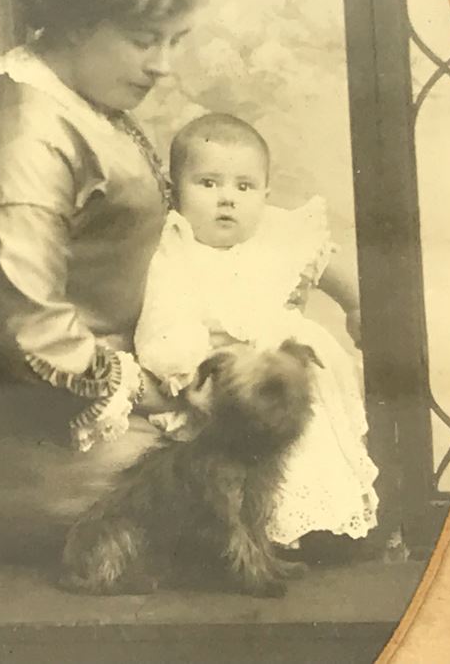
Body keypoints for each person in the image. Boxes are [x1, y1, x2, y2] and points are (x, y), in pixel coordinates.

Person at [0, 0, 204, 562]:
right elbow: (27, 333)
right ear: (75, 23)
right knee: (233, 491)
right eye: (144, 41)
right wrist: (158, 394)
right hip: (21, 433)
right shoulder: (25, 135)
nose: (163, 65)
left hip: (91, 391)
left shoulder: (78, 99)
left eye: (176, 42)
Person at [134, 113, 379, 548]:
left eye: (244, 187)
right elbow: (165, 311)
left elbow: (324, 265)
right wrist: (187, 372)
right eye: (208, 184)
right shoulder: (174, 246)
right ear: (174, 192)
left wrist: (356, 306)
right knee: (232, 458)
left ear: (265, 194)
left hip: (290, 371)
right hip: (228, 377)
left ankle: (321, 526)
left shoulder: (276, 233)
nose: (227, 199)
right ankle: (261, 536)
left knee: (314, 437)